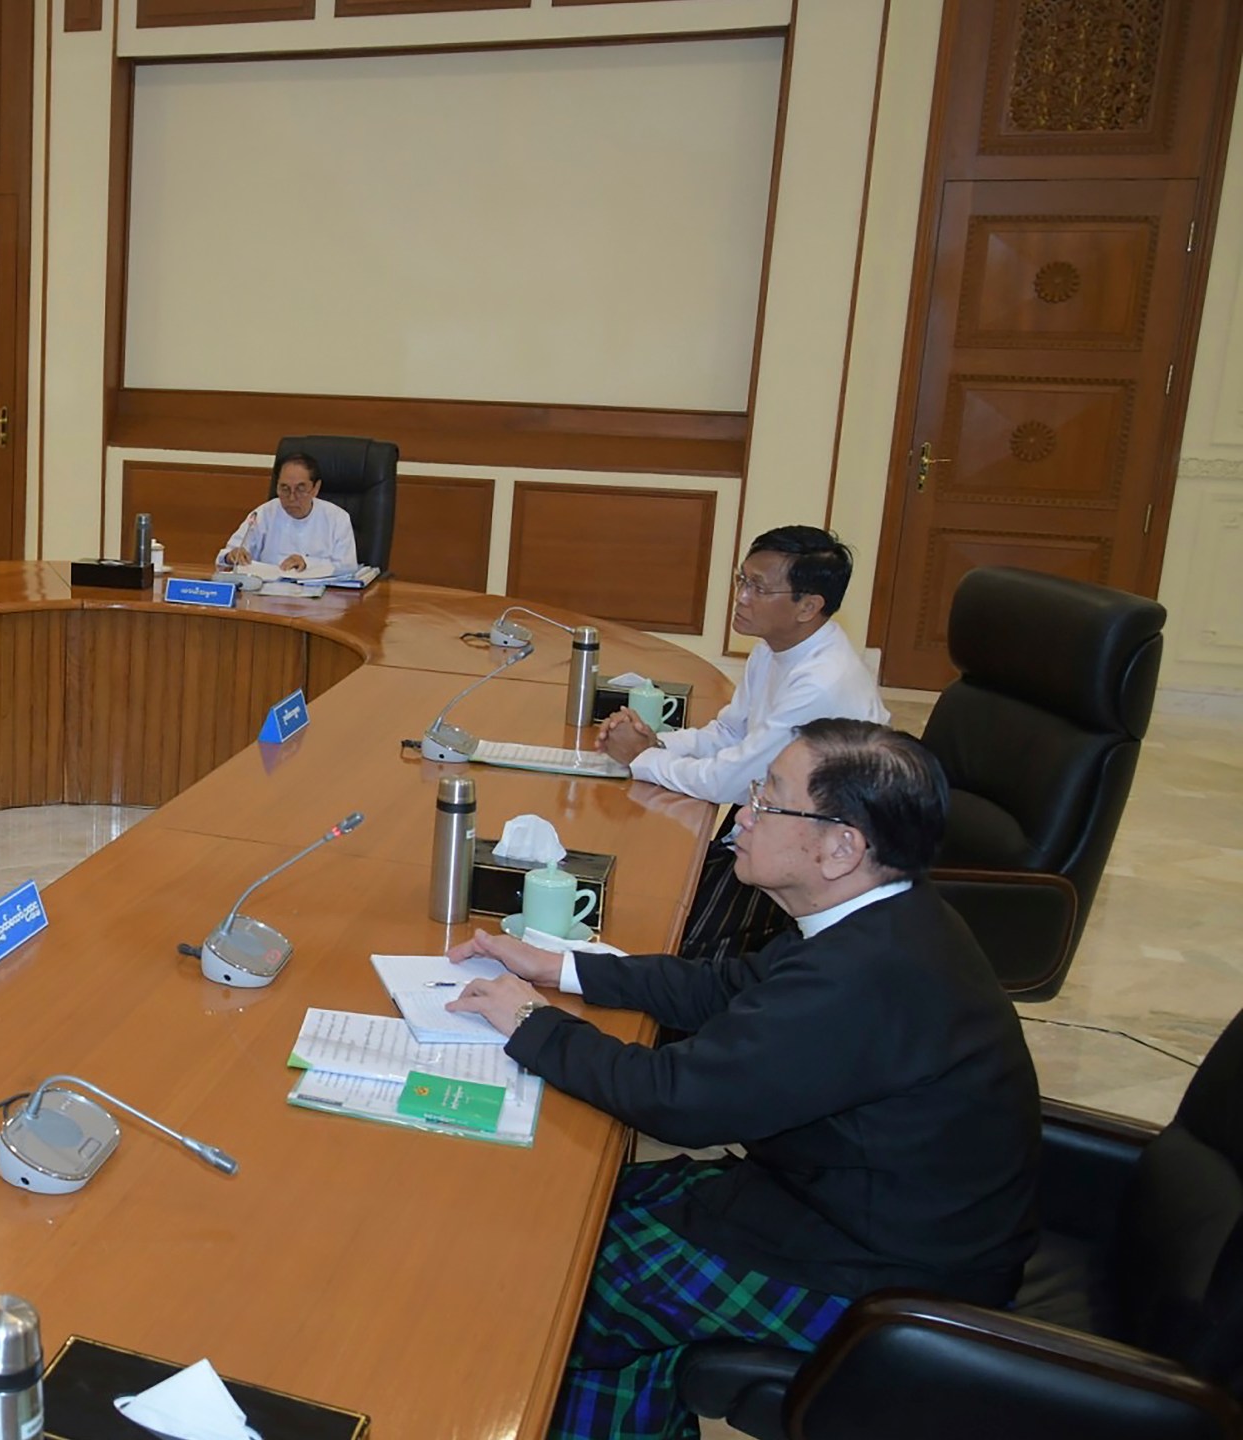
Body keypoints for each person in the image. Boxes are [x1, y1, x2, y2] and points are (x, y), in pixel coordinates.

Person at [445, 720, 1038, 1440]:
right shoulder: (885, 916)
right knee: (581, 1211)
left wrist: (532, 1023)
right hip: (847, 1204)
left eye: (770, 801)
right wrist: (562, 967)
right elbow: (726, 986)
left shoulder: (862, 979)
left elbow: (678, 1100)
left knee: (577, 1291)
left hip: (884, 1272)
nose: (745, 815)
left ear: (841, 846)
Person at [601, 526, 889, 957]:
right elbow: (731, 733)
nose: (741, 596)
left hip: (818, 854)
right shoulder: (775, 647)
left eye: (758, 587)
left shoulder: (822, 682)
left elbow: (731, 781)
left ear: (808, 606)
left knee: (680, 937)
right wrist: (659, 744)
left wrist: (641, 759)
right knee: (659, 892)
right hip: (773, 815)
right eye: (742, 579)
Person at [217, 453, 355, 575]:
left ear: (316, 488)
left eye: (300, 489)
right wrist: (232, 556)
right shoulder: (263, 514)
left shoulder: (337, 518)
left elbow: (347, 568)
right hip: (268, 598)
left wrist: (308, 564)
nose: (292, 497)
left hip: (321, 599)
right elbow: (225, 556)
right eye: (285, 489)